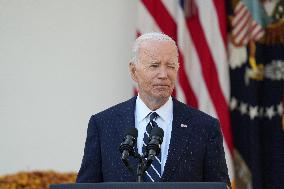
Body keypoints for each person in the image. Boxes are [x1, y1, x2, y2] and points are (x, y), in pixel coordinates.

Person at [76, 32, 231, 186]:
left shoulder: (205, 127)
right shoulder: (103, 124)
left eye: (170, 66)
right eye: (154, 65)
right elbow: (86, 185)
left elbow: (220, 186)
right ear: (133, 71)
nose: (163, 74)